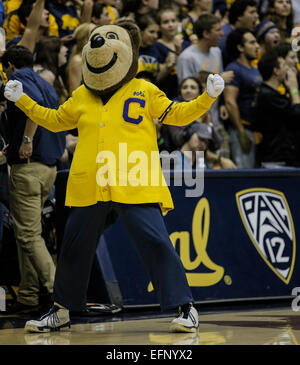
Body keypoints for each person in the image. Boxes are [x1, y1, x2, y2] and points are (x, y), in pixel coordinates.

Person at [4, 21, 224, 333]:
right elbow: (53, 121)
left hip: (134, 181)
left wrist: (207, 98)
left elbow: (176, 114)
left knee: (157, 242)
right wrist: (23, 101)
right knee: (74, 247)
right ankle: (61, 310)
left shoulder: (144, 89)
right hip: (91, 184)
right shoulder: (81, 95)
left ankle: (185, 307)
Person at [1, 45, 66, 314]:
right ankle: (28, 294)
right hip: (48, 167)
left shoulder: (20, 81)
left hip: (29, 167)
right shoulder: (46, 81)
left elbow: (32, 108)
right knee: (27, 233)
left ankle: (58, 293)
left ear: (10, 66)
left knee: (28, 235)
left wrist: (26, 140)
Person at [224, 28, 262, 168]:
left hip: (254, 130)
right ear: (240, 47)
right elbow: (230, 102)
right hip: (241, 130)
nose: (257, 46)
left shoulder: (254, 69)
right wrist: (241, 133)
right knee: (245, 174)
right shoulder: (234, 69)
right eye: (252, 43)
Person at [254, 49, 300, 167]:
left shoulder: (274, 94)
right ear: (276, 70)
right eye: (284, 65)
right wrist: (294, 89)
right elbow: (297, 114)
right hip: (276, 159)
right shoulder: (268, 95)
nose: (288, 68)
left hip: (286, 156)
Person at [219, 0, 258, 65]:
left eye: (256, 12)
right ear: (239, 16)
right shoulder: (224, 37)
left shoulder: (243, 34)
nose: (256, 16)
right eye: (252, 12)